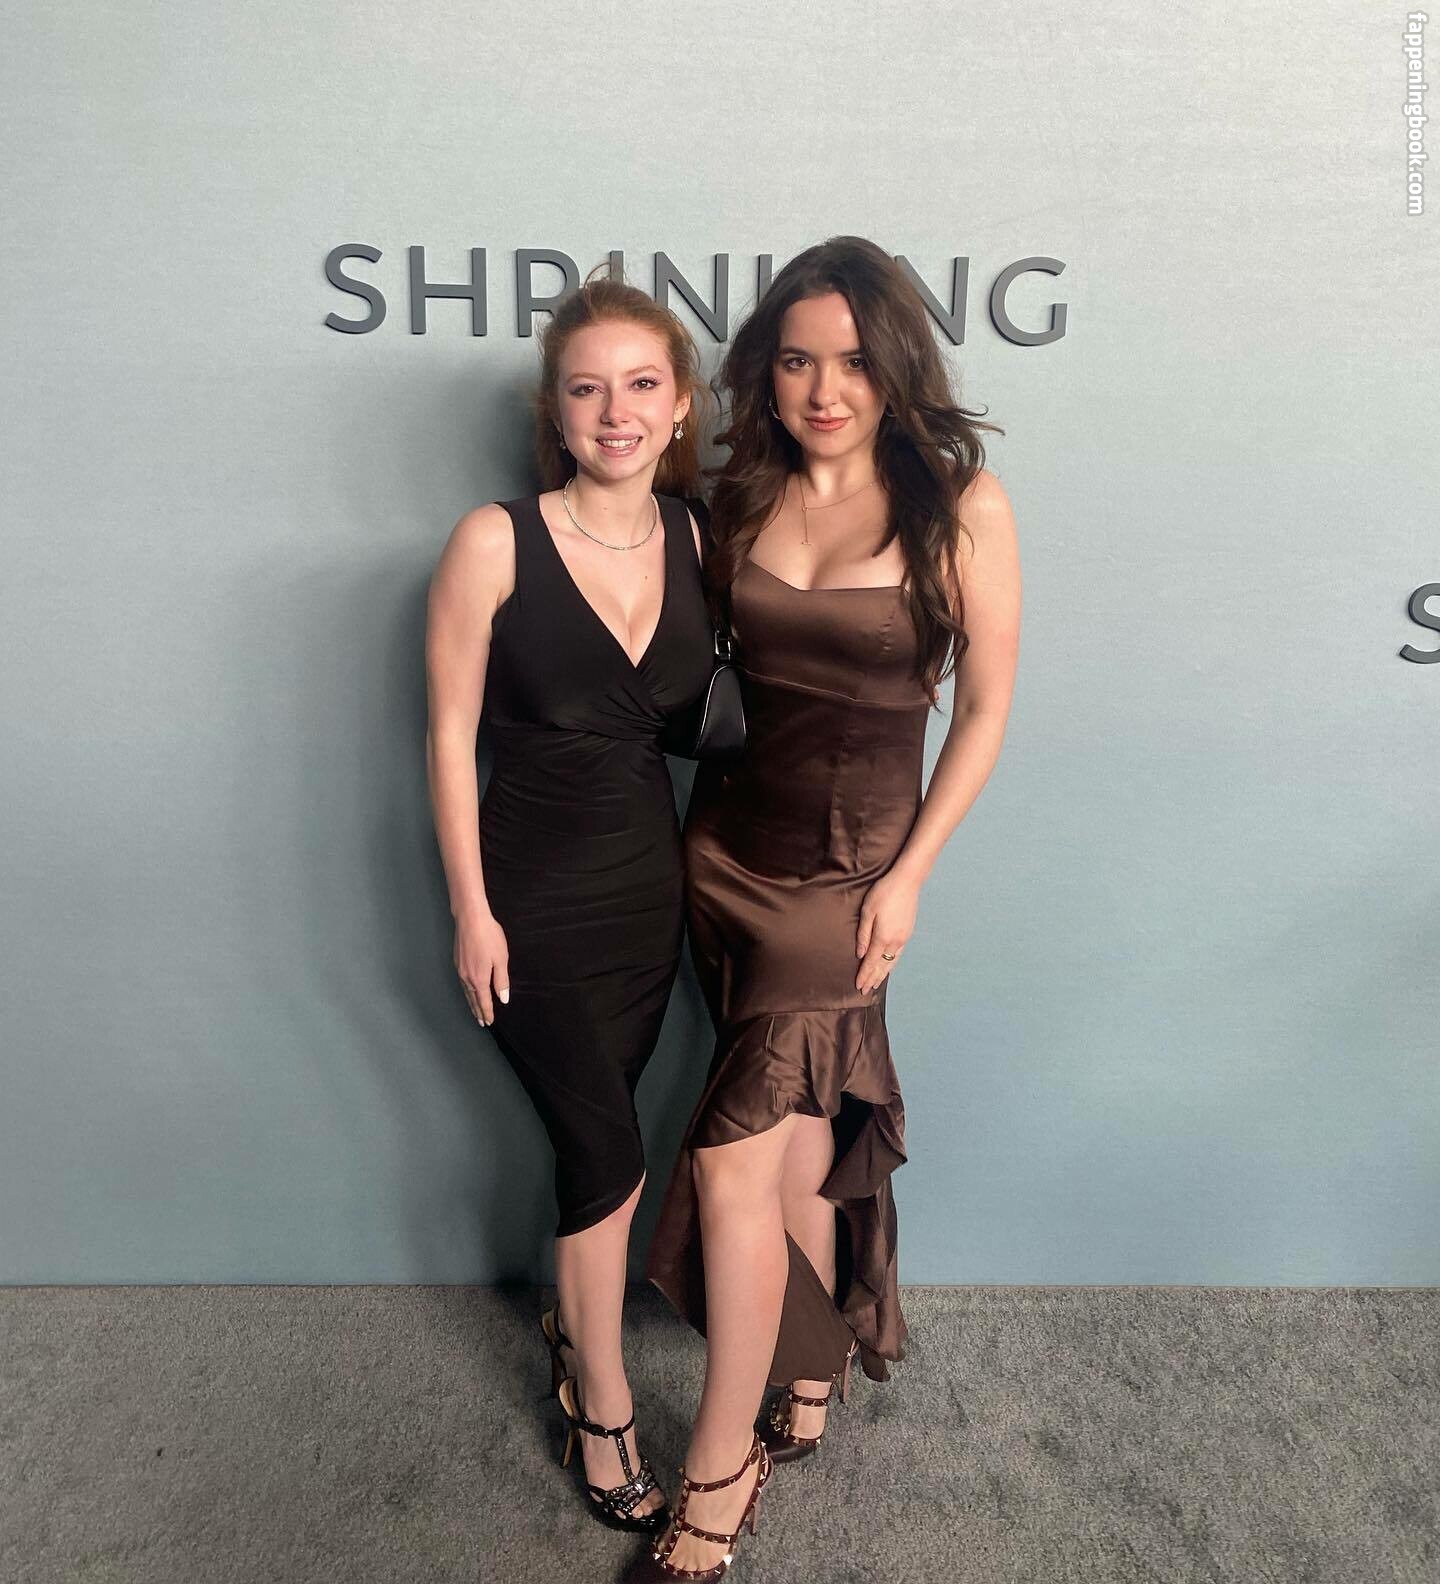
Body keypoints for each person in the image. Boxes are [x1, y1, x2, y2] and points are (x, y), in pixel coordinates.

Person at [632, 236, 1022, 1581]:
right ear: (766, 372)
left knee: (732, 1159)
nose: (823, 388)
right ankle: (811, 1370)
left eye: (852, 361)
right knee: (794, 1142)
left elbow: (987, 709)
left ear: (896, 364)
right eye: (796, 361)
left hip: (847, 880)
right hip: (722, 859)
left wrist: (909, 875)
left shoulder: (959, 506)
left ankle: (718, 1468)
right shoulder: (742, 495)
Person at [425, 274, 714, 1534]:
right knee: (607, 1154)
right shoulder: (495, 540)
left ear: (680, 404)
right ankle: (600, 1403)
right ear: (556, 410)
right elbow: (448, 737)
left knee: (607, 1147)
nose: (616, 412)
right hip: (531, 899)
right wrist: (471, 911)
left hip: (650, 896)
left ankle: (569, 1323)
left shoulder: (697, 538)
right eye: (588, 389)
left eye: (642, 385)